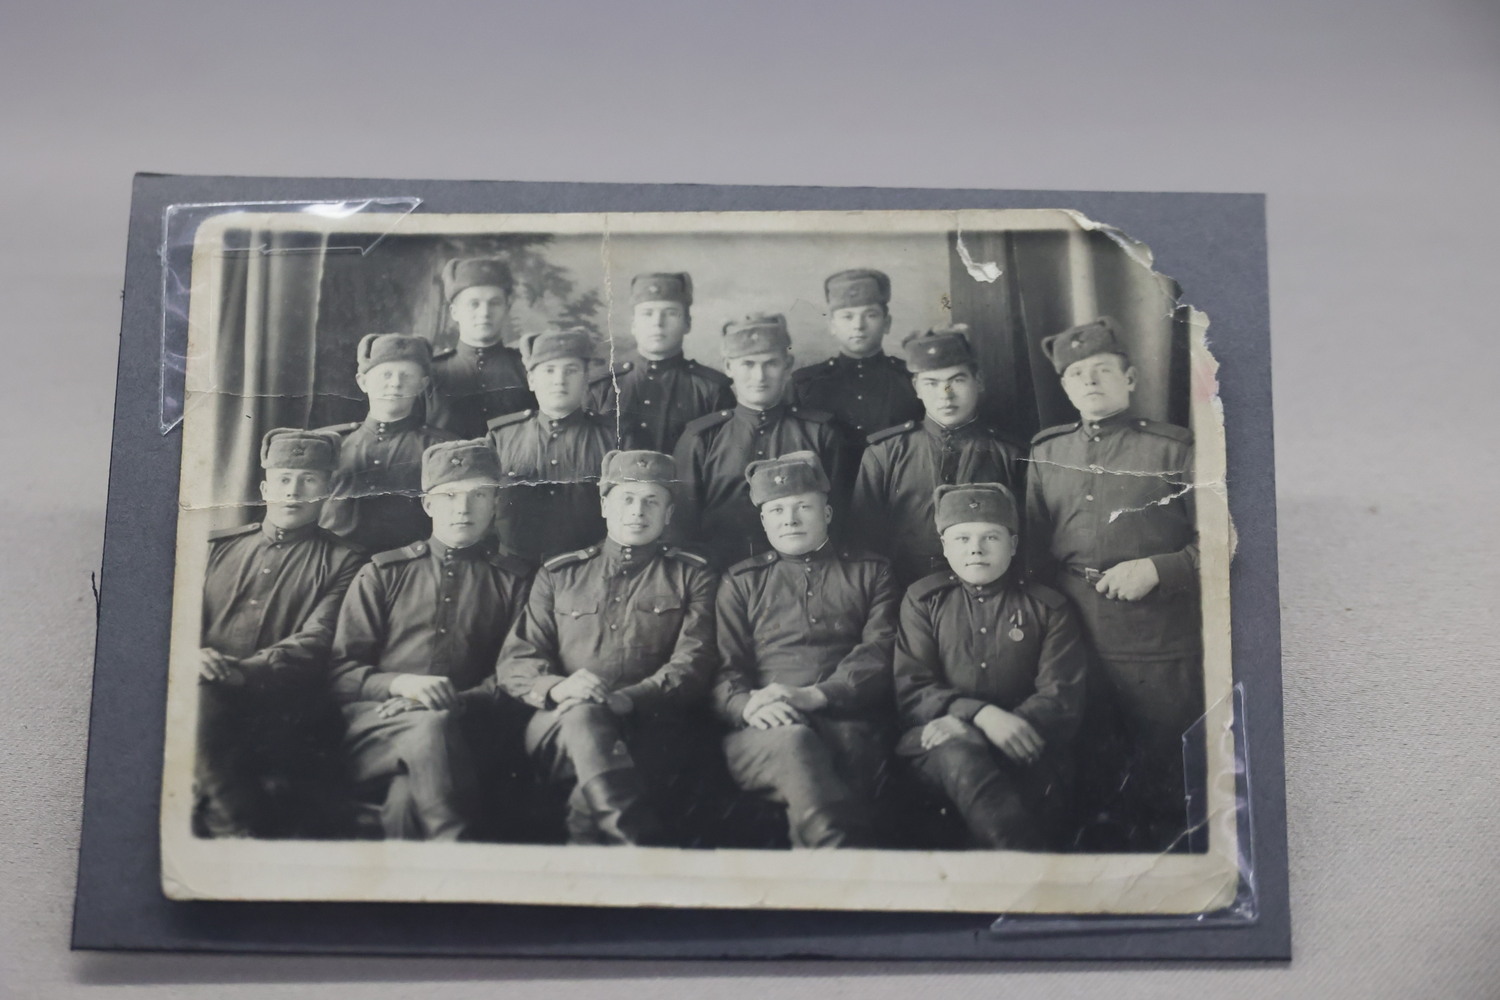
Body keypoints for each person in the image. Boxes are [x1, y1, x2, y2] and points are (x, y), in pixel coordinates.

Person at [1025, 316, 1201, 851]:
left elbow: (1226, 542)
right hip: (1071, 634)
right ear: (1064, 388)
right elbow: (1033, 551)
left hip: (1158, 638)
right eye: (1077, 374)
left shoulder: (1174, 450)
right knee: (1087, 775)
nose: (1090, 380)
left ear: (1130, 378)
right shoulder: (1046, 452)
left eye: (1102, 369)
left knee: (1164, 775)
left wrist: (1158, 569)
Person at [496, 450, 717, 845]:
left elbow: (693, 662)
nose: (638, 511)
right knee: (585, 715)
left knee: (597, 768)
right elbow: (518, 659)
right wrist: (560, 688)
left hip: (651, 725)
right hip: (559, 722)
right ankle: (638, 848)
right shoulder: (560, 574)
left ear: (668, 513)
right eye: (626, 498)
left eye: (651, 501)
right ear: (604, 505)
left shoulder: (692, 575)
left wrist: (627, 700)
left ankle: (603, 846)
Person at [328, 440, 534, 841]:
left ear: (495, 504)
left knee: (406, 799)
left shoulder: (514, 581)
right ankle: (457, 852)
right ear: (427, 505)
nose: (463, 508)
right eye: (449, 496)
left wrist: (449, 701)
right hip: (378, 728)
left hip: (468, 730)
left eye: (478, 496)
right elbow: (340, 672)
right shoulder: (384, 573)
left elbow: (514, 675)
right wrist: (400, 685)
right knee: (428, 729)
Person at [713, 452, 899, 847]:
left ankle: (822, 861)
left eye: (803, 507)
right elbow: (725, 669)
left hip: (847, 719)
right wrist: (747, 706)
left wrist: (815, 695)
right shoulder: (741, 582)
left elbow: (879, 652)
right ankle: (836, 855)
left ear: (827, 513)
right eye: (777, 510)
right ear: (764, 521)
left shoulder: (871, 572)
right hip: (764, 729)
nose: (790, 520)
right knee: (794, 742)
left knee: (851, 748)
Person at [894, 483, 1087, 849]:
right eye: (962, 538)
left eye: (991, 537)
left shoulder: (1049, 607)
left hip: (1026, 743)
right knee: (956, 751)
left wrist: (994, 726)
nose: (976, 549)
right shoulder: (923, 602)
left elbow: (1061, 697)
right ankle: (1021, 860)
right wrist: (981, 716)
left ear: (1012, 545)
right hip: (937, 744)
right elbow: (912, 690)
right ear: (944, 546)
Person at [196, 428, 367, 837]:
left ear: (327, 491)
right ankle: (235, 830)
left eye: (309, 480)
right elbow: (183, 620)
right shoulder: (216, 548)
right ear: (265, 488)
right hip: (203, 685)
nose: (294, 491)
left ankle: (237, 833)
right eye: (284, 479)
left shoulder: (346, 560)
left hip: (282, 703)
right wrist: (192, 655)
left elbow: (318, 638)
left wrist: (242, 673)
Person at [673, 312, 853, 569]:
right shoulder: (701, 438)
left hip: (802, 573)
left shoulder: (821, 433)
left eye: (771, 364)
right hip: (719, 573)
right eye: (748, 364)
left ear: (788, 365)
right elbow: (681, 527)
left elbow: (840, 518)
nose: (760, 376)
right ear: (728, 367)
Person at [851, 326, 1026, 587]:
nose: (946, 395)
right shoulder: (885, 454)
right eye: (932, 383)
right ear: (916, 387)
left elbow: (1026, 540)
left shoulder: (1011, 454)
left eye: (957, 380)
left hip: (991, 594)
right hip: (903, 591)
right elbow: (864, 542)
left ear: (978, 381)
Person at [486, 327, 617, 561]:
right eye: (549, 370)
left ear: (586, 379)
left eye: (571, 370)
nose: (559, 380)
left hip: (586, 570)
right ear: (531, 380)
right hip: (513, 569)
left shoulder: (613, 439)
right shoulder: (501, 437)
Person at [319, 334, 458, 554]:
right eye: (386, 374)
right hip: (333, 563)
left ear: (422, 385)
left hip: (407, 568)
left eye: (406, 375)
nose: (395, 383)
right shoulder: (328, 443)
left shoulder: (442, 448)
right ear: (363, 382)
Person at [587, 272, 734, 453]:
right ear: (634, 324)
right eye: (647, 314)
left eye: (671, 313)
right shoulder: (602, 387)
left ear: (687, 323)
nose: (658, 323)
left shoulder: (711, 390)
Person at [791, 268, 922, 437]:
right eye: (847, 317)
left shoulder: (913, 381)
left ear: (886, 323)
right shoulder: (804, 385)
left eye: (870, 315)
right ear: (832, 325)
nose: (858, 326)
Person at [426, 257, 535, 437]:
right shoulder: (430, 374)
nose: (484, 313)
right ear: (454, 312)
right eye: (474, 304)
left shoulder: (528, 370)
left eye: (494, 303)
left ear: (507, 308)